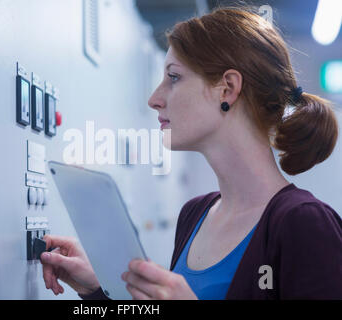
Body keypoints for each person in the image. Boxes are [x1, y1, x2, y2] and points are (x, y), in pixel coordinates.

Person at [40, 7, 342, 300]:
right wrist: (99, 289)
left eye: (173, 77)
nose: (154, 99)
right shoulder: (194, 214)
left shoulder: (304, 223)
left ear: (227, 89)